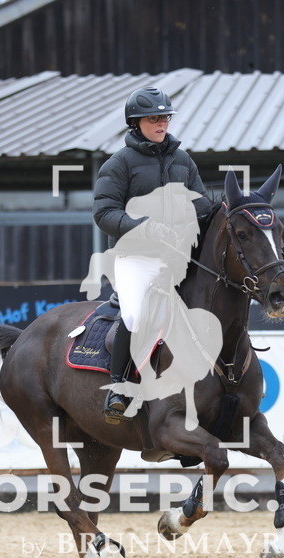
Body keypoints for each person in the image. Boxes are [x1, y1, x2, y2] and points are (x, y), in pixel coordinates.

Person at [90, 86, 210, 420]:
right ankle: (118, 386)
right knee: (135, 315)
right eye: (154, 119)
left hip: (177, 257)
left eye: (165, 118)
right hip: (136, 258)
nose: (161, 124)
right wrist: (145, 227)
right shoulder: (119, 163)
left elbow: (200, 203)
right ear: (136, 123)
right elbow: (104, 213)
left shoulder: (183, 160)